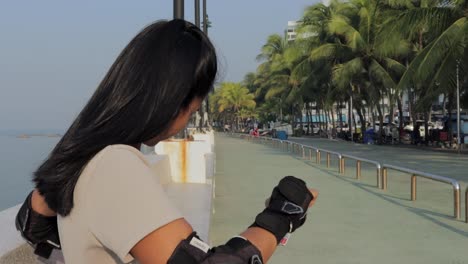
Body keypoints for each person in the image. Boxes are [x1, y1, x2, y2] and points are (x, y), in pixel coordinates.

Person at [15, 19, 318, 264]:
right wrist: (282, 215)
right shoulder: (114, 164)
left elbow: (31, 223)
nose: (185, 122)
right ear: (172, 101)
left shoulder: (81, 157)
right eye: (193, 110)